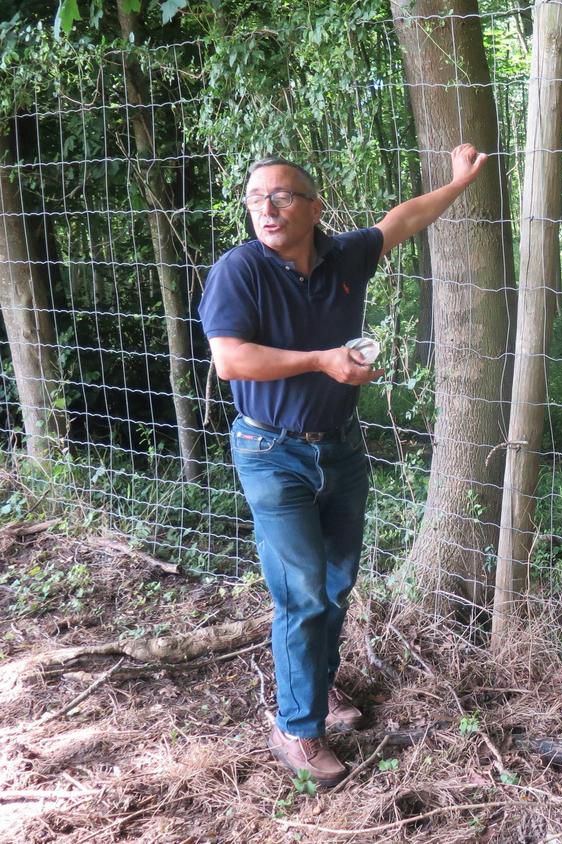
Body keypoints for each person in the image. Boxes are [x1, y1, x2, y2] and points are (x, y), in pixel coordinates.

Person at [198, 145, 488, 787]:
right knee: (301, 592)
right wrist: (322, 360)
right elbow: (231, 360)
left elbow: (404, 220)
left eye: (280, 197)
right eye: (255, 200)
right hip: (270, 452)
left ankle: (317, 687)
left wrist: (459, 182)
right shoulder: (238, 271)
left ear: (312, 207)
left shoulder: (344, 257)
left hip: (342, 447)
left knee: (334, 584)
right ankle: (297, 730)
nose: (266, 209)